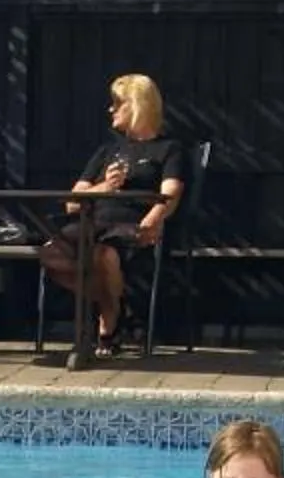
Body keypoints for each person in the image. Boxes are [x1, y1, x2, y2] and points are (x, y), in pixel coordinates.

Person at [40, 73, 190, 357]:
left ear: (136, 105)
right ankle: (114, 306)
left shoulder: (168, 149)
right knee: (51, 254)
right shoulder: (108, 151)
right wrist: (106, 186)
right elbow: (72, 203)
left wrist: (154, 219)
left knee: (104, 255)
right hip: (92, 225)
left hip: (132, 227)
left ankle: (107, 325)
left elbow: (171, 193)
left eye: (117, 103)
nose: (110, 109)